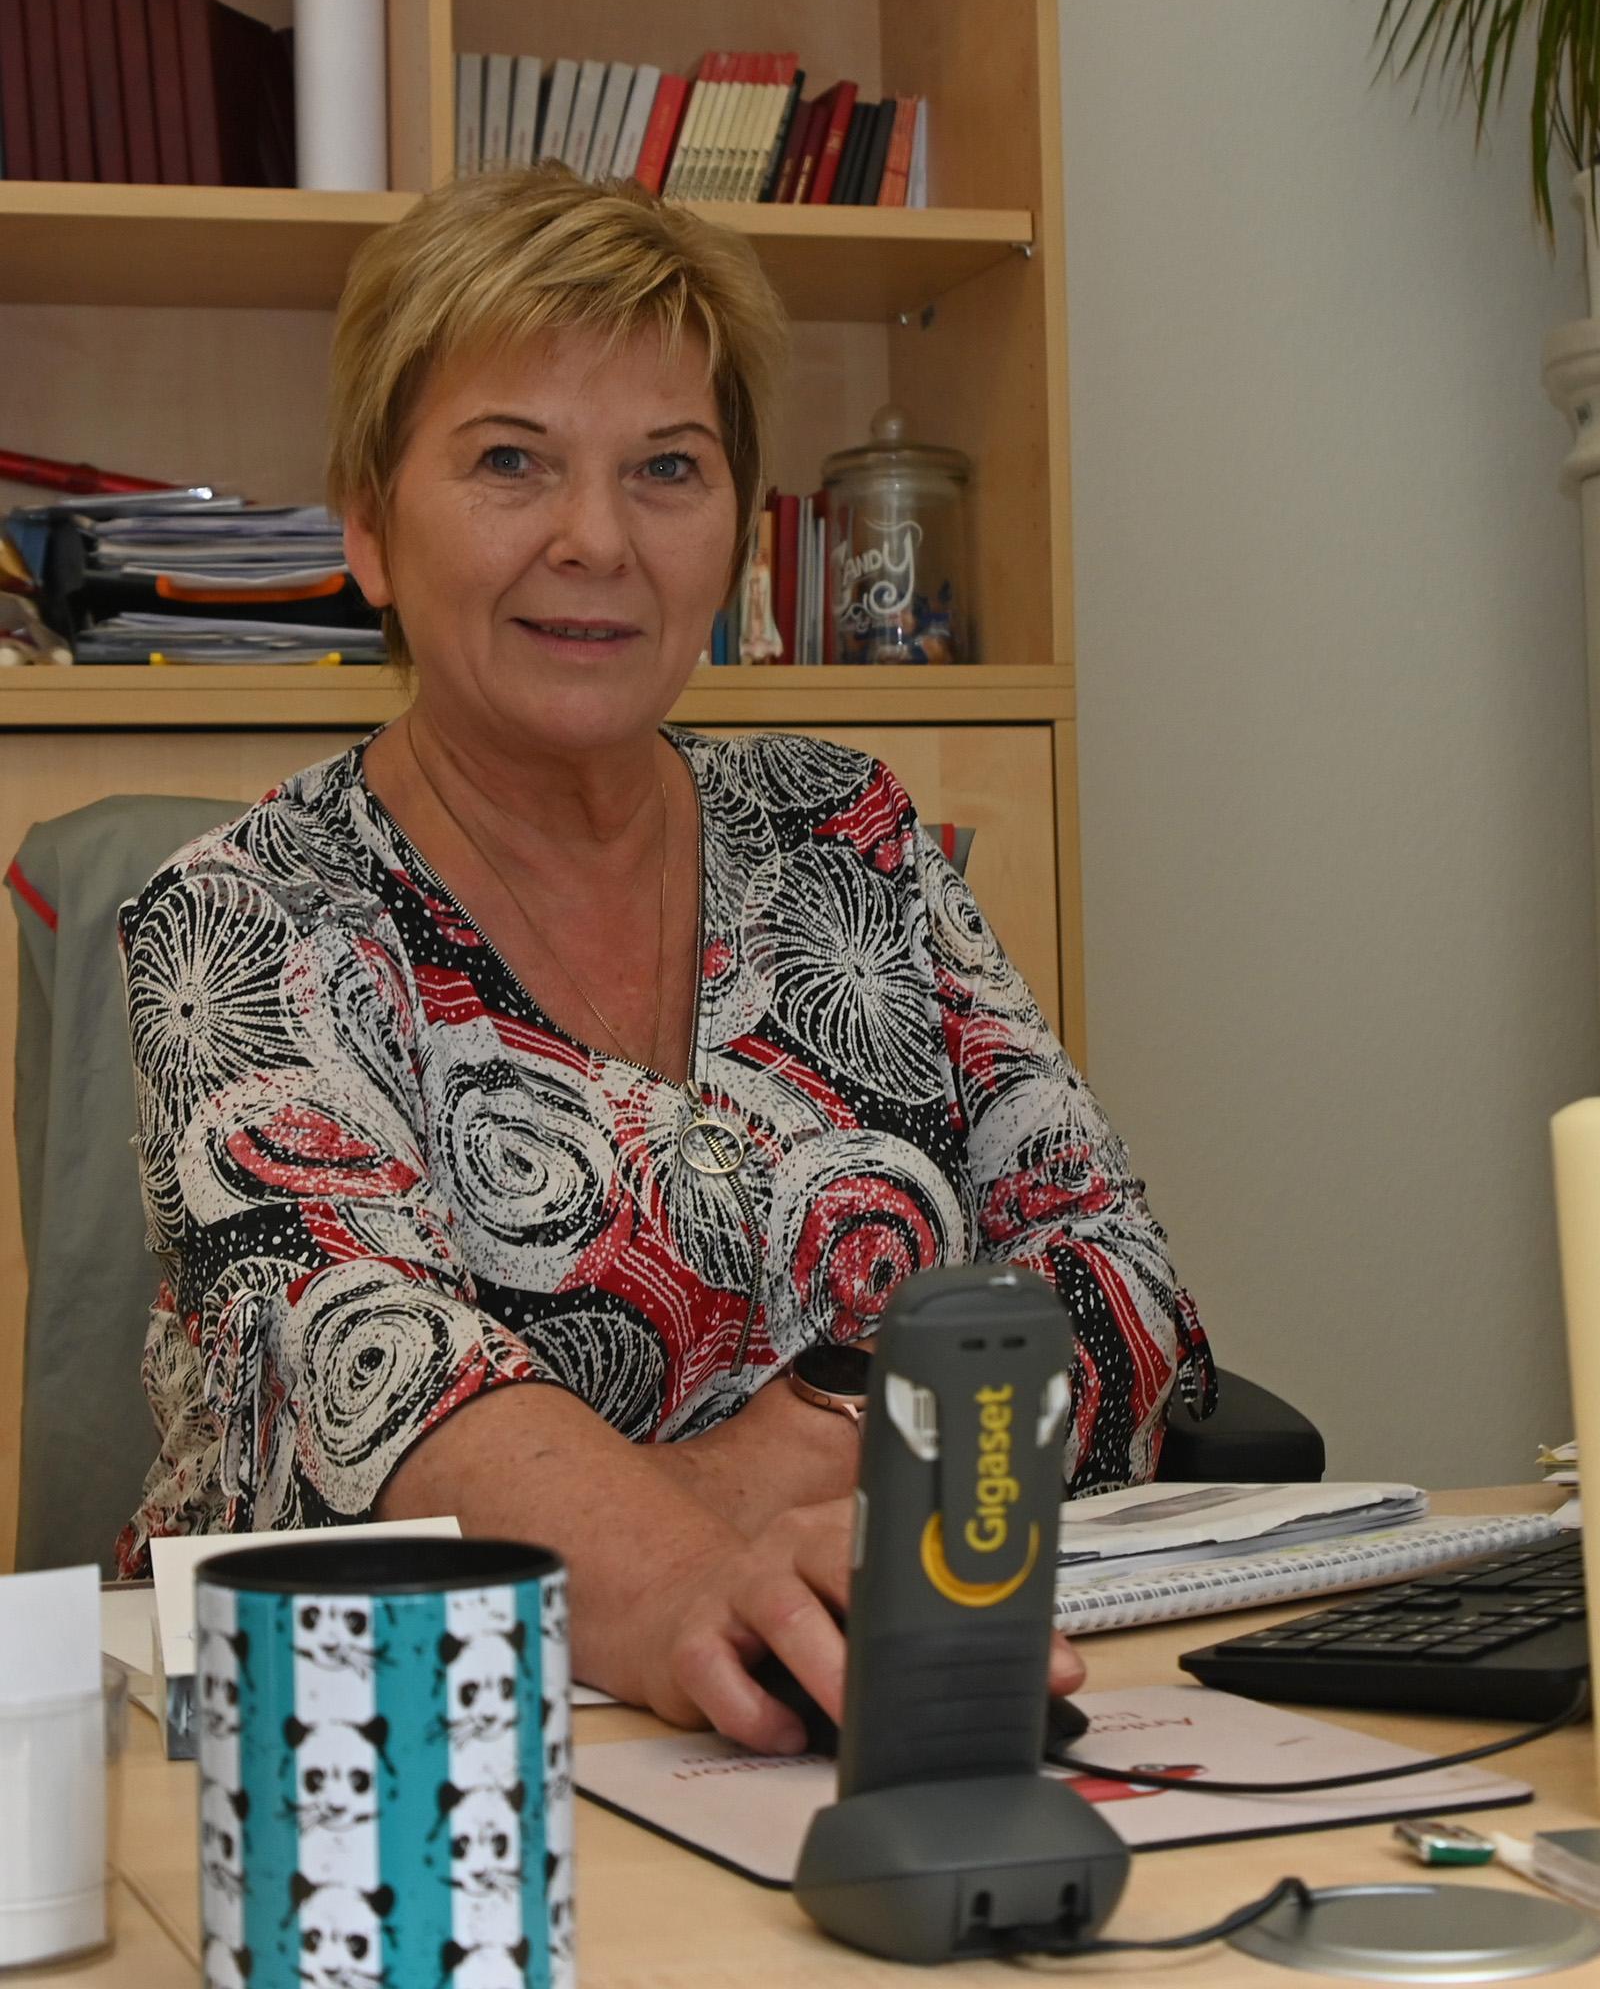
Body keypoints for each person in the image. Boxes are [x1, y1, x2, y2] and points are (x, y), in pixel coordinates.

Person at [116, 164, 1215, 1749]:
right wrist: (707, 1564)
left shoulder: (849, 837)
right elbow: (375, 1377)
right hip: (377, 1758)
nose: (596, 540)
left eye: (667, 470)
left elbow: (1112, 1273)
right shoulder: (243, 918)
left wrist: (804, 1438)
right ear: (368, 524)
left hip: (847, 1699)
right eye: (511, 461)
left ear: (737, 532)